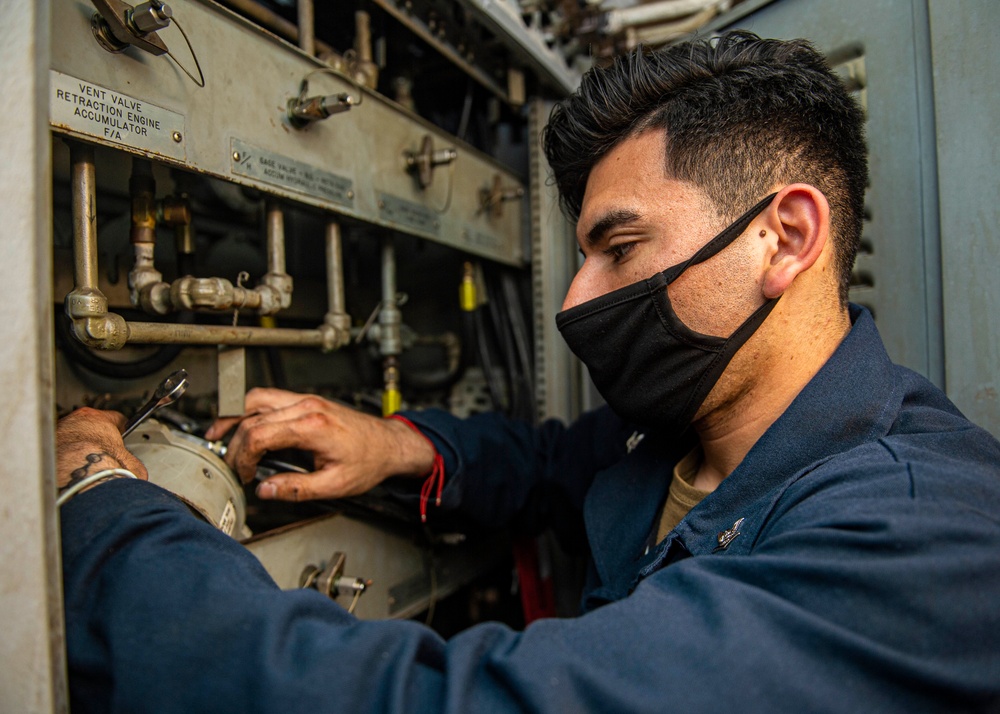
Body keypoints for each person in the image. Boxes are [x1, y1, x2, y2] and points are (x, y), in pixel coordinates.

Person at [57, 32, 1000, 712]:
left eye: (618, 247)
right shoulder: (693, 432)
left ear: (783, 237)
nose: (573, 301)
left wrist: (97, 505)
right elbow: (558, 463)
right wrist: (398, 445)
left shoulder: (922, 541)